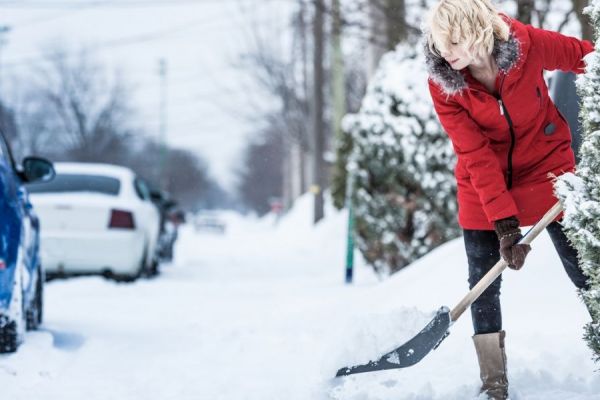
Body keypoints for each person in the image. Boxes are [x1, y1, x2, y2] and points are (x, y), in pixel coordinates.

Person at [424, 0, 594, 398]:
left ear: (476, 31)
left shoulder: (526, 43)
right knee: (482, 284)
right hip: (483, 182)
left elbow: (586, 58)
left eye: (453, 42)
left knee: (585, 269)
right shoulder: (444, 82)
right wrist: (504, 223)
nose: (444, 53)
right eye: (439, 43)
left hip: (547, 167)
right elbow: (475, 155)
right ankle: (494, 383)